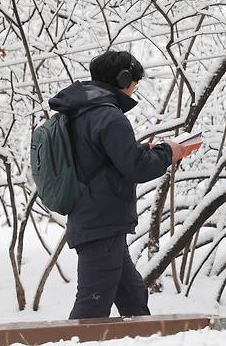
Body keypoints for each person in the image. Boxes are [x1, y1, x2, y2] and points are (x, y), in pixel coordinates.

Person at [48, 50, 184, 320]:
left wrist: (146, 151)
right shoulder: (108, 116)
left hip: (97, 220)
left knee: (133, 298)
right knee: (92, 307)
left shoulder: (80, 112)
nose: (135, 89)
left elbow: (102, 159)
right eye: (135, 82)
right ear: (124, 79)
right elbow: (135, 167)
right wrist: (169, 152)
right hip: (102, 222)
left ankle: (146, 339)